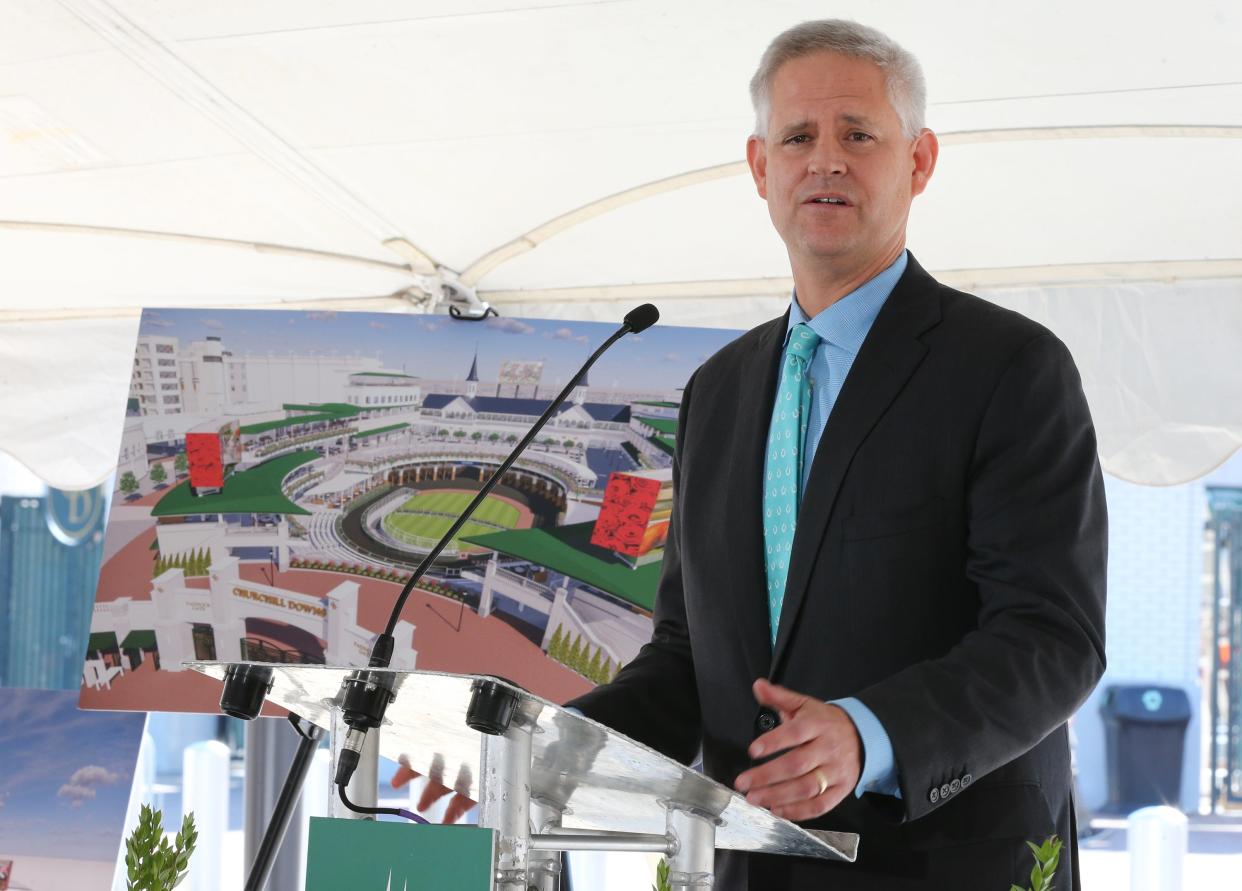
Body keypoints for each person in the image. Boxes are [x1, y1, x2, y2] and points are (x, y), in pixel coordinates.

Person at [567, 18, 1107, 891]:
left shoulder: (1010, 367)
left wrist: (869, 733)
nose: (827, 159)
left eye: (859, 134)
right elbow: (684, 653)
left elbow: (1052, 639)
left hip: (948, 864)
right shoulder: (719, 389)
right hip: (746, 864)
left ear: (919, 161)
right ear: (760, 168)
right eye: (798, 137)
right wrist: (547, 740)